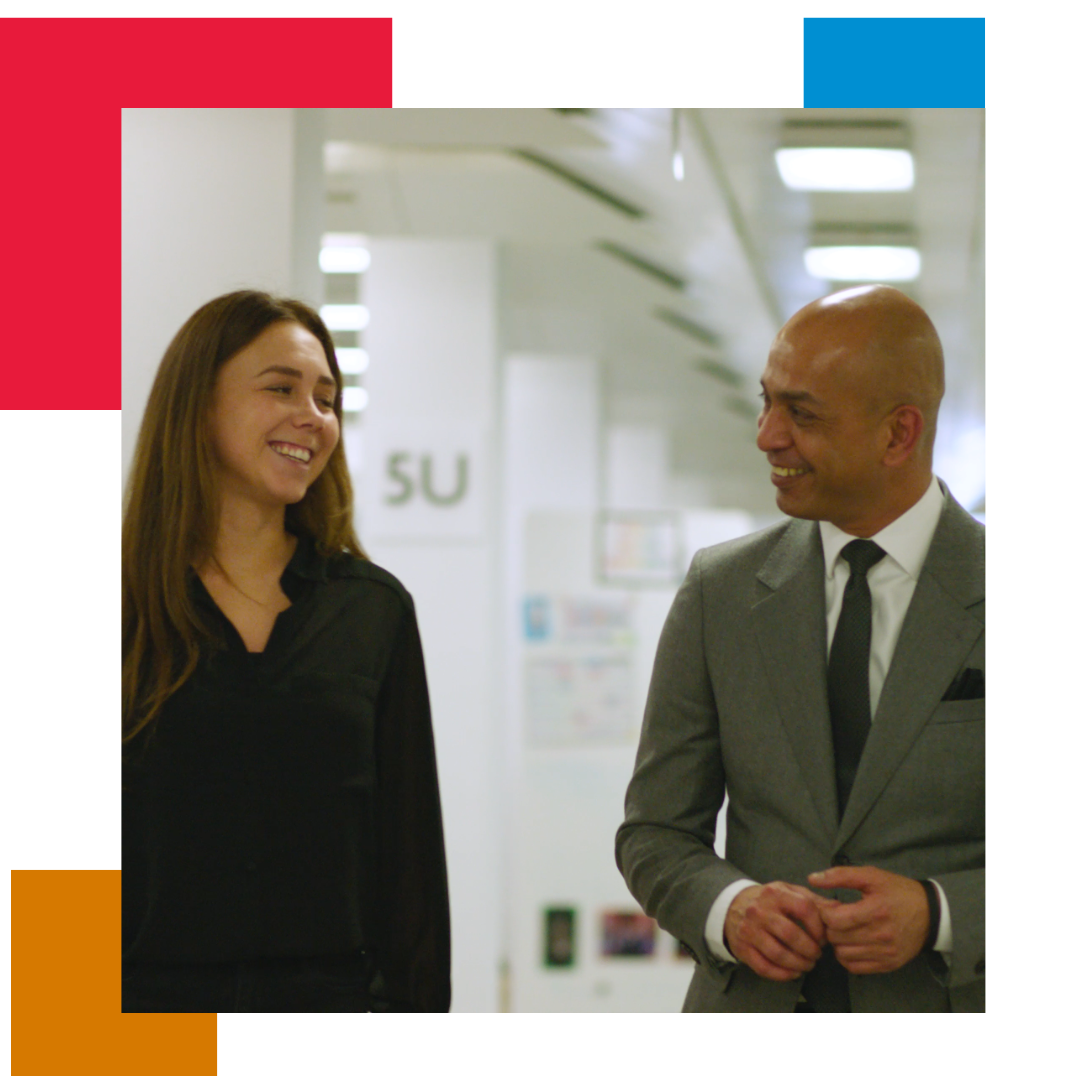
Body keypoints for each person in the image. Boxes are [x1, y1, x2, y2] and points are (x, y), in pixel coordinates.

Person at [616, 284, 983, 1012]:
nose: (766, 436)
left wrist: (940, 913)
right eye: (767, 402)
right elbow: (655, 834)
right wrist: (728, 909)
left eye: (801, 414)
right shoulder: (720, 592)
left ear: (897, 435)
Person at [122, 290, 451, 1012]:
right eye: (281, 388)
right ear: (198, 405)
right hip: (143, 1024)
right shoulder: (115, 608)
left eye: (327, 398)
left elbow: (410, 871)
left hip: (328, 1020)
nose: (313, 416)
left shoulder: (372, 611)